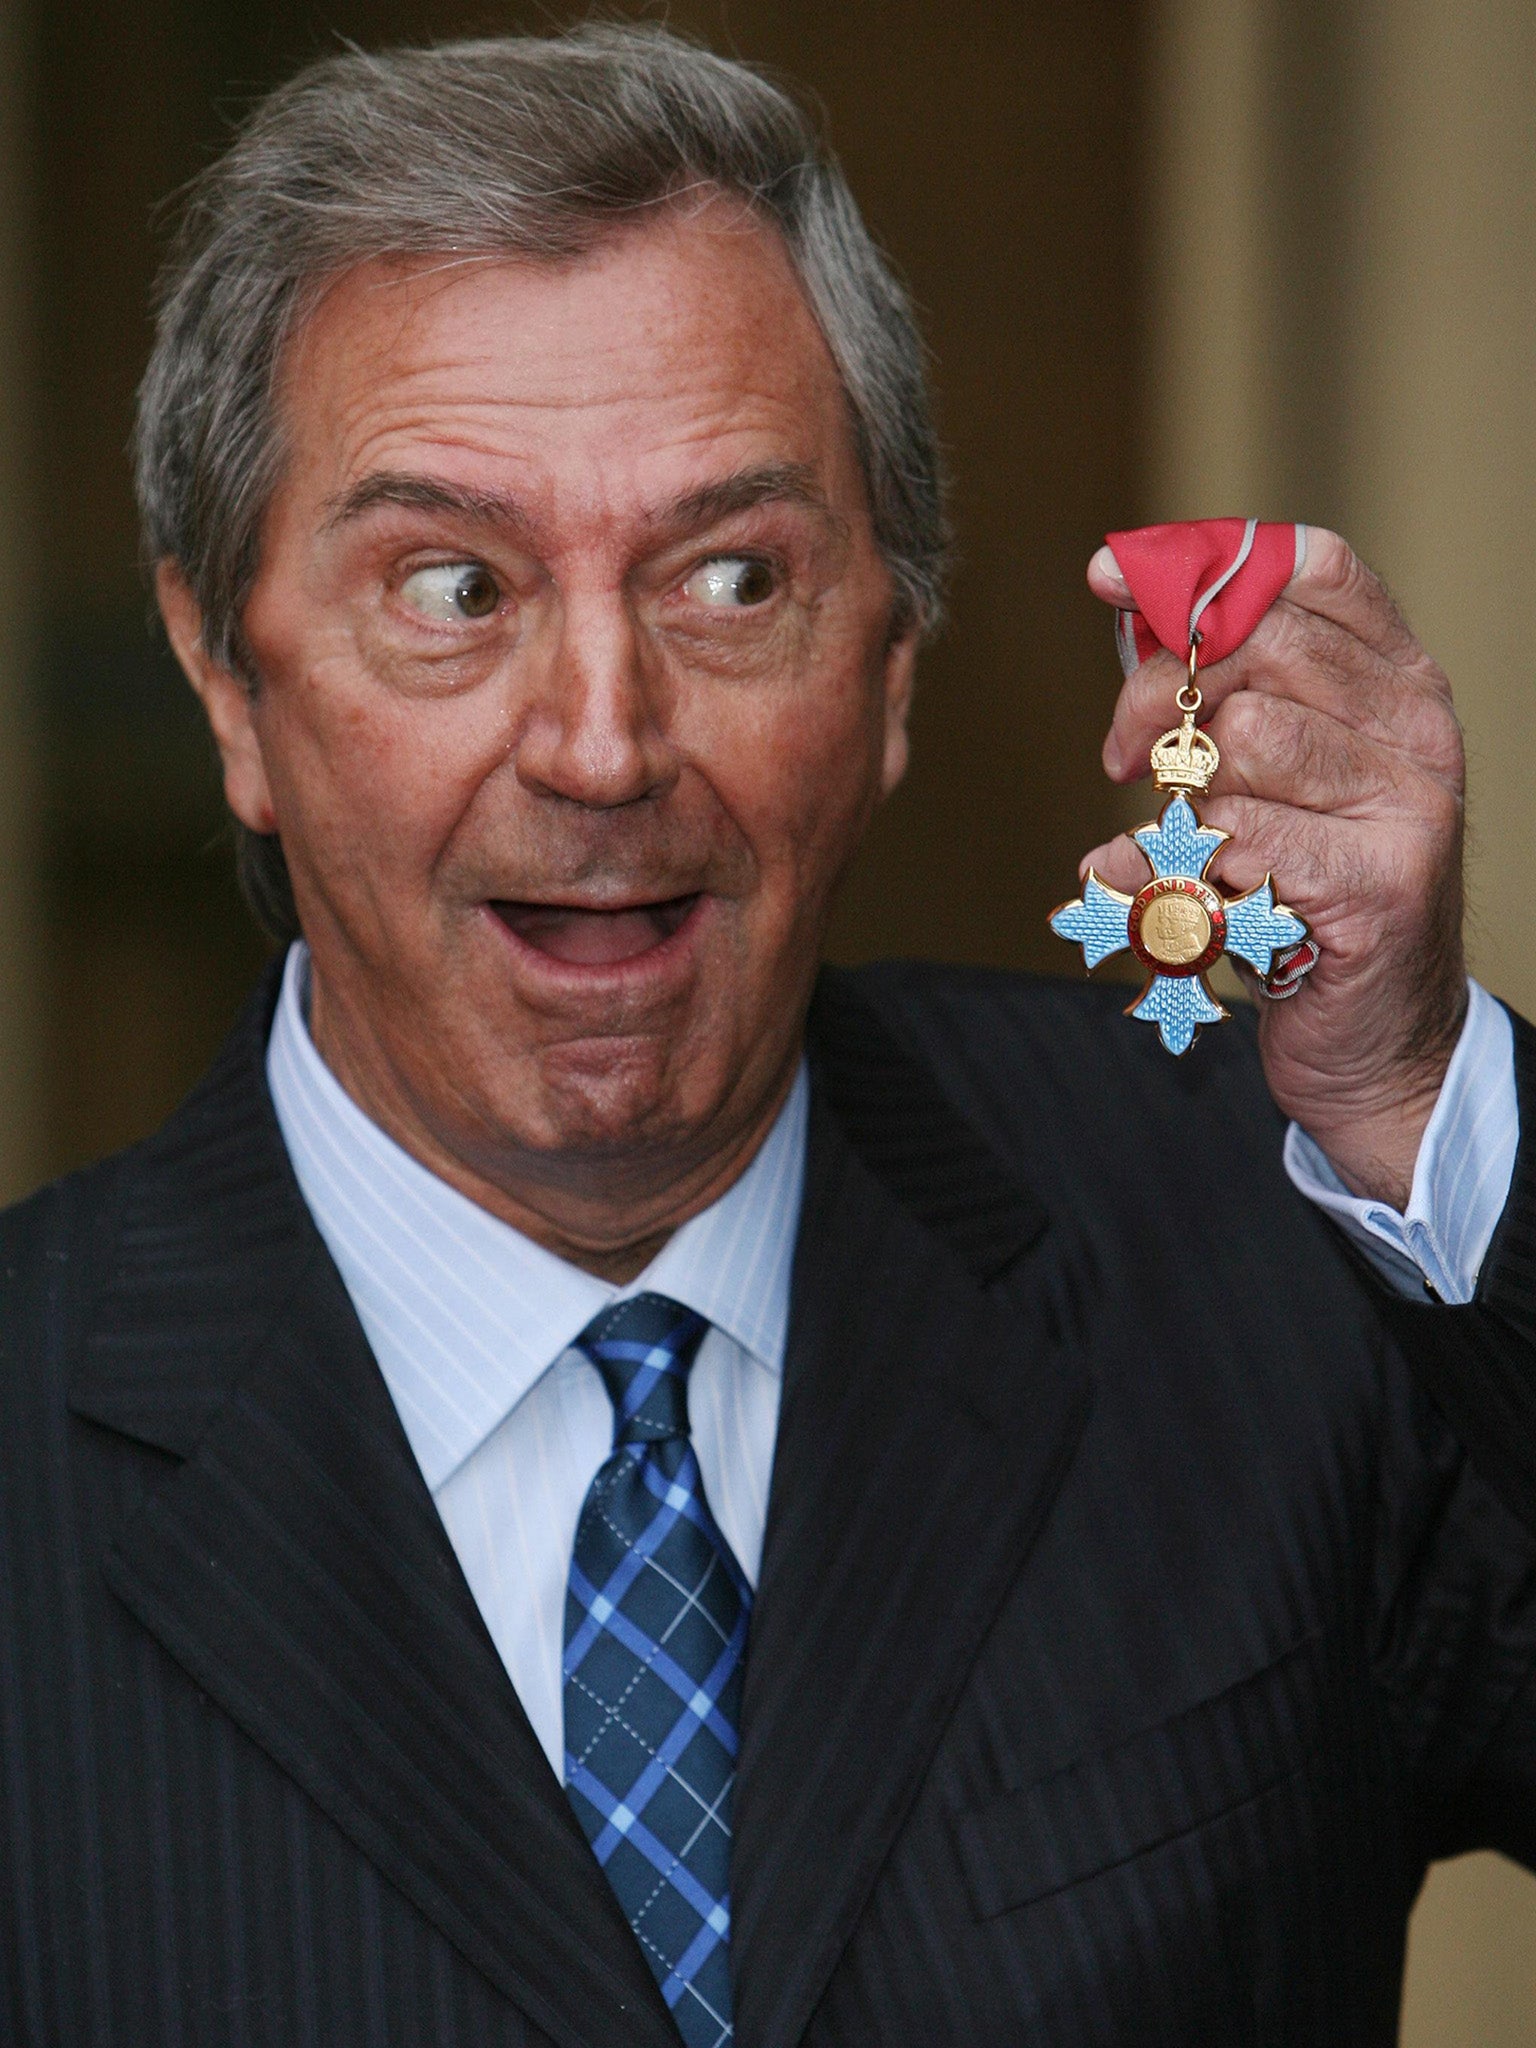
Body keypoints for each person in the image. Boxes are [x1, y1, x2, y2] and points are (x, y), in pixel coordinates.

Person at [4, 25, 1535, 2048]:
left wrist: (1422, 1104)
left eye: (735, 577)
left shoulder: (1277, 1233)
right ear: (226, 676)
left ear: (892, 661)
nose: (605, 741)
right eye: (453, 587)